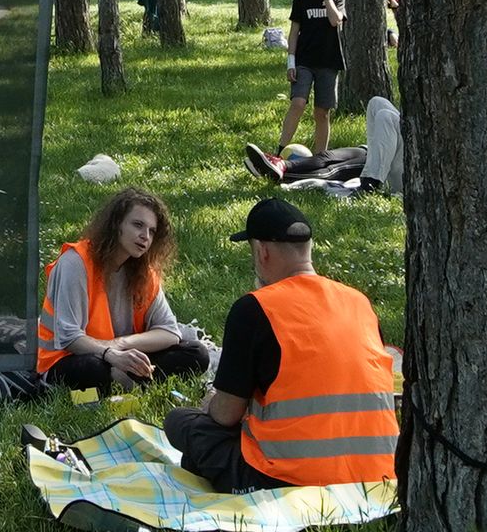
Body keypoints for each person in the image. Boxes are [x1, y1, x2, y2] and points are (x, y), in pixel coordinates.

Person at [168, 195, 402, 495]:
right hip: (377, 472)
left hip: (286, 478)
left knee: (181, 422)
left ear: (262, 252)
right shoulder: (359, 302)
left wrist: (211, 402)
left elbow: (226, 414)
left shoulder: (255, 308)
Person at [36, 188, 210, 393]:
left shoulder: (145, 272)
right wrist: (110, 353)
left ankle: (123, 380)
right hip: (68, 358)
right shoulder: (75, 263)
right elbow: (70, 338)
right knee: (93, 369)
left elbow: (170, 332)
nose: (145, 236)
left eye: (151, 231)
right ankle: (128, 381)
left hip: (119, 354)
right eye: (138, 225)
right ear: (116, 224)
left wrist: (121, 345)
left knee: (196, 353)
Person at [280, 0, 347, 158]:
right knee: (298, 103)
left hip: (328, 61)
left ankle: (320, 157)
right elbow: (293, 33)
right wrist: (291, 61)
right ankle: (280, 149)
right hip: (304, 61)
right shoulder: (300, 1)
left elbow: (336, 21)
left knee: (322, 112)